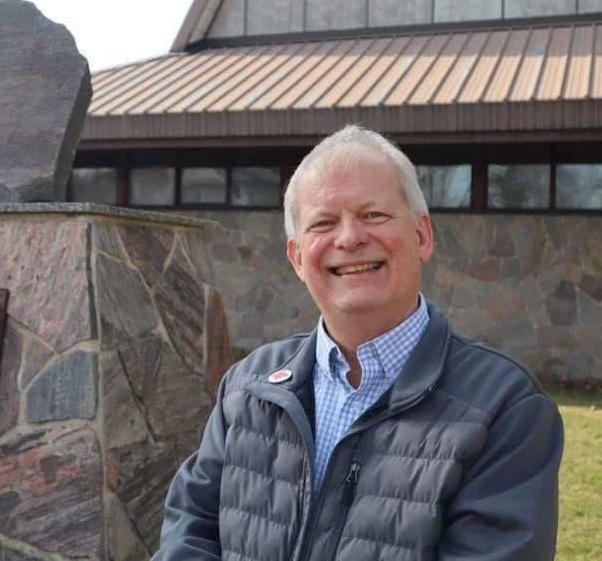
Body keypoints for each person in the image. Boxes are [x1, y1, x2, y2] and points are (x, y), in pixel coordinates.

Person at [154, 125, 564, 560]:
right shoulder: (248, 386)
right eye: (323, 222)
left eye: (373, 215)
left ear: (422, 236)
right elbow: (190, 530)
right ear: (297, 257)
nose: (349, 238)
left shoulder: (505, 407)